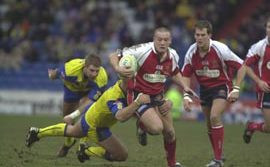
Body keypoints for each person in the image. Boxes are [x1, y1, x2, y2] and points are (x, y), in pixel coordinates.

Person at [109, 27, 195, 167]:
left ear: (170, 41)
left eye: (166, 40)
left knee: (170, 133)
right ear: (154, 40)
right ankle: (141, 124)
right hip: (139, 95)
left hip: (158, 96)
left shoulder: (173, 55)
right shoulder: (142, 51)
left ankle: (172, 164)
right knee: (156, 129)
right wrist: (118, 68)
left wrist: (184, 86)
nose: (162, 42)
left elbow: (175, 72)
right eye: (159, 39)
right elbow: (113, 55)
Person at [25, 79, 151, 163]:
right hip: (96, 126)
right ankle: (85, 151)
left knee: (73, 131)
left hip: (92, 116)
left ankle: (37, 132)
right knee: (121, 155)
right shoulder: (115, 96)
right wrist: (138, 103)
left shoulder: (124, 85)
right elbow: (121, 117)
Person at [181, 20, 243, 167]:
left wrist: (236, 88)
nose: (199, 38)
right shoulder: (191, 51)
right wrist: (186, 95)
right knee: (209, 125)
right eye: (197, 34)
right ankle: (219, 155)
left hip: (221, 86)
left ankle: (217, 161)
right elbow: (185, 74)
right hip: (204, 89)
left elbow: (242, 66)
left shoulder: (221, 49)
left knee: (215, 116)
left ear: (210, 35)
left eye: (203, 35)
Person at [48, 54, 108, 157]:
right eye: (91, 70)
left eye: (97, 71)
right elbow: (56, 73)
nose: (94, 74)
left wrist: (73, 115)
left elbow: (90, 101)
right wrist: (52, 75)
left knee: (87, 110)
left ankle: (83, 143)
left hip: (88, 91)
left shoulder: (102, 78)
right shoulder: (70, 69)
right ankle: (68, 143)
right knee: (66, 119)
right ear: (85, 66)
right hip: (72, 90)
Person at [231, 17, 270, 144]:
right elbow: (245, 66)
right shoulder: (260, 47)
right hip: (266, 90)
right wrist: (259, 81)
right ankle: (252, 126)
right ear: (266, 29)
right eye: (269, 27)